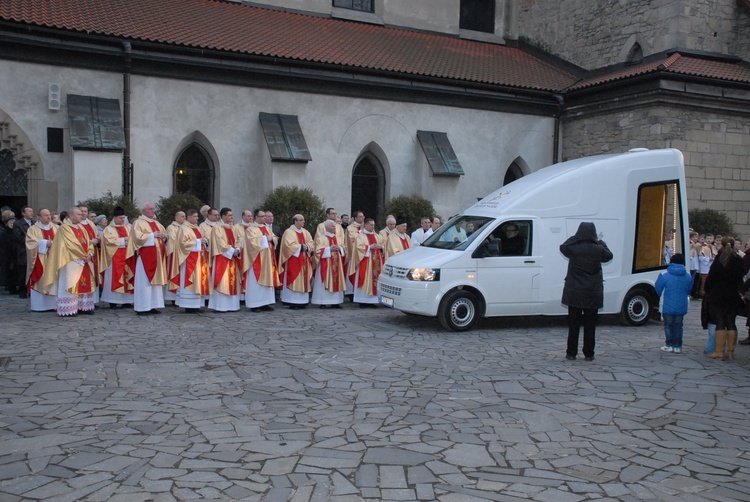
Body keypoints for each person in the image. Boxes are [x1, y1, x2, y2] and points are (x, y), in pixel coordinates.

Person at [560, 222, 613, 361]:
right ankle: (589, 353)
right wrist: (601, 242)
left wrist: (575, 237)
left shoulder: (574, 248)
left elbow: (563, 246)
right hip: (592, 292)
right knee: (590, 326)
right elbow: (609, 256)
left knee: (573, 325)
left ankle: (571, 353)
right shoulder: (598, 249)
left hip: (575, 292)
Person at [40, 207, 96, 316]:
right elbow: (71, 244)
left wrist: (89, 253)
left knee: (84, 283)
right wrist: (83, 255)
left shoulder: (81, 228)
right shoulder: (64, 228)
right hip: (70, 261)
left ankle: (83, 306)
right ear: (71, 216)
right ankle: (69, 308)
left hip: (84, 260)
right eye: (79, 214)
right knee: (70, 282)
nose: (82, 216)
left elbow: (88, 242)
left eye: (82, 214)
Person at [704, 236, 744, 360]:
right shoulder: (738, 260)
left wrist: (707, 289)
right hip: (732, 294)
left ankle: (719, 351)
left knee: (720, 321)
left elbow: (711, 277)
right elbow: (740, 277)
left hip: (718, 294)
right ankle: (730, 352)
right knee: (731, 322)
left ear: (721, 245)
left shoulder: (719, 259)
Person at [126, 202, 168, 315]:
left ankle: (153, 305)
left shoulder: (157, 223)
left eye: (153, 209)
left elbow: (164, 235)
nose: (153, 211)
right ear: (143, 211)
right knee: (144, 282)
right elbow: (136, 238)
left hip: (157, 257)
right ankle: (142, 307)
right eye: (150, 209)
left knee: (156, 284)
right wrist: (152, 235)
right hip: (145, 258)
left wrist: (164, 237)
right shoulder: (138, 223)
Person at [171, 209, 210, 314]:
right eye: (195, 216)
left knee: (199, 280)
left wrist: (205, 241)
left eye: (197, 216)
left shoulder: (197, 228)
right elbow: (182, 244)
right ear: (189, 217)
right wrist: (198, 242)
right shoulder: (184, 228)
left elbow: (204, 239)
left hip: (200, 258)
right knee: (190, 280)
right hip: (189, 259)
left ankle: (197, 304)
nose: (197, 218)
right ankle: (188, 305)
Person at [654, 253, 693, 353]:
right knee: (678, 325)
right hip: (681, 305)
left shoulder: (664, 274)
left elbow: (658, 289)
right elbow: (689, 290)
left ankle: (669, 344)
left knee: (668, 325)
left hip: (666, 304)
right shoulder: (688, 275)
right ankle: (677, 346)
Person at [243, 209, 279, 312]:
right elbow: (251, 243)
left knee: (267, 281)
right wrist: (264, 239)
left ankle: (265, 303)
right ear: (256, 217)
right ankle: (255, 304)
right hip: (257, 260)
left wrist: (272, 239)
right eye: (262, 216)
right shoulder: (251, 229)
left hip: (268, 259)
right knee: (256, 283)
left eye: (264, 216)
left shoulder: (266, 228)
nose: (264, 218)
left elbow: (274, 238)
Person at [100, 206, 135, 308]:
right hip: (114, 257)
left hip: (128, 256)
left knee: (128, 276)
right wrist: (124, 240)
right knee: (113, 277)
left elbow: (133, 238)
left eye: (124, 217)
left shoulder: (128, 227)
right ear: (114, 218)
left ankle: (127, 300)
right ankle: (113, 300)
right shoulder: (108, 229)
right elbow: (108, 241)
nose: (122, 219)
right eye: (120, 218)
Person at [208, 208, 242, 312]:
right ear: (223, 216)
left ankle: (232, 306)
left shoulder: (233, 228)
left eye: (232, 215)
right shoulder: (217, 228)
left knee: (233, 281)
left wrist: (237, 248)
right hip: (222, 258)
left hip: (232, 258)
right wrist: (232, 250)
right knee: (222, 280)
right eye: (229, 215)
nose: (232, 217)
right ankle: (220, 306)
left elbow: (239, 239)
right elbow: (219, 243)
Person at [278, 214, 314, 309]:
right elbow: (288, 245)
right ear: (295, 221)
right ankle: (292, 301)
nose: (303, 222)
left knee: (304, 279)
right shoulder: (289, 232)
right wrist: (301, 247)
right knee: (294, 278)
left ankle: (303, 301)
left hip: (304, 260)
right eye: (301, 220)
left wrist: (308, 247)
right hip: (293, 260)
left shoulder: (305, 232)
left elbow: (311, 242)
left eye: (303, 220)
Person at [25, 208, 57, 311]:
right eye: (45, 215)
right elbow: (30, 243)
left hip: (54, 259)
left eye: (49, 215)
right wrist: (45, 243)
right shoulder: (33, 229)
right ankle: (40, 306)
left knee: (54, 280)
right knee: (41, 279)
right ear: (39, 217)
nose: (48, 217)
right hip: (41, 259)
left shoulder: (57, 228)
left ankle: (54, 305)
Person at [311, 219, 346, 309]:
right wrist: (329, 249)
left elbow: (344, 248)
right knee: (323, 281)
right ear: (326, 227)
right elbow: (317, 251)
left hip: (337, 264)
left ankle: (336, 302)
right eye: (332, 226)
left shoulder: (338, 238)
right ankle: (323, 301)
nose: (334, 227)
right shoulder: (321, 239)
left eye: (334, 226)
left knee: (337, 280)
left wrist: (340, 248)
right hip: (325, 264)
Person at [352, 218, 384, 308]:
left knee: (375, 280)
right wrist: (369, 247)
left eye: (373, 225)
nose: (373, 226)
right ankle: (362, 301)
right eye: (371, 225)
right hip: (366, 262)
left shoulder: (377, 236)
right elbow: (358, 248)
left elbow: (384, 245)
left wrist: (380, 247)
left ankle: (372, 301)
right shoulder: (360, 236)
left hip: (377, 262)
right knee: (364, 279)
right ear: (365, 225)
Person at [77, 205, 101, 304]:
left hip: (93, 253)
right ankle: (81, 301)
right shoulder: (77, 224)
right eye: (81, 211)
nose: (83, 213)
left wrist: (97, 240)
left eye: (85, 211)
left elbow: (97, 235)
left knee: (93, 275)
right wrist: (90, 241)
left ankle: (93, 300)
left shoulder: (91, 223)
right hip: (82, 254)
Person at [12, 205, 35, 298]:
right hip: (23, 252)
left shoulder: (35, 223)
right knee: (23, 272)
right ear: (23, 213)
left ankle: (31, 290)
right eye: (29, 211)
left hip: (33, 251)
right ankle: (22, 291)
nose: (31, 213)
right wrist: (31, 240)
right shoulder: (18, 224)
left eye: (32, 211)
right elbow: (18, 237)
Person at [164, 211, 185, 304]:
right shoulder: (171, 228)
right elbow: (173, 239)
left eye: (185, 216)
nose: (184, 218)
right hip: (174, 254)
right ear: (176, 218)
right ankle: (172, 297)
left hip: (184, 254)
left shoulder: (186, 227)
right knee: (174, 273)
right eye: (182, 216)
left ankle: (180, 295)